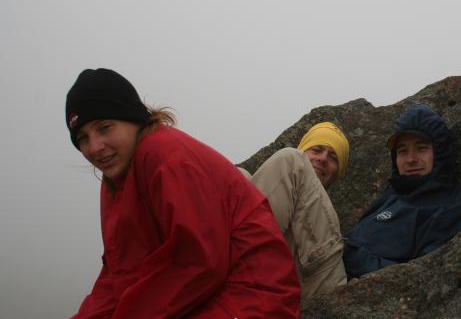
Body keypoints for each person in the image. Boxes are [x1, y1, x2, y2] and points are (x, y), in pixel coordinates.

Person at [65, 68, 300, 318]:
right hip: (208, 295)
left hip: (254, 294)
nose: (95, 147)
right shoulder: (115, 182)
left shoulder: (165, 155)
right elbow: (120, 273)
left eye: (104, 128)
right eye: (83, 138)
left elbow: (198, 260)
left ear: (133, 118)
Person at [343, 104, 461, 279]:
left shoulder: (452, 209)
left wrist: (352, 257)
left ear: (439, 152)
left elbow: (421, 278)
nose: (411, 159)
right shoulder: (391, 196)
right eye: (403, 151)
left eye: (421, 148)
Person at [239, 122, 349, 299]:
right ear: (304, 152)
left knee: (290, 158)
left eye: (333, 157)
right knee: (238, 176)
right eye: (317, 149)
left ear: (338, 173)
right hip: (272, 272)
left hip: (319, 279)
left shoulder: (294, 163)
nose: (322, 158)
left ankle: (235, 260)